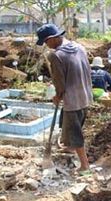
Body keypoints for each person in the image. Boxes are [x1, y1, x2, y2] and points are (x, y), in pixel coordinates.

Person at [36, 24, 92, 176]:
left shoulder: (56, 56)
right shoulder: (79, 47)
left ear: (53, 39)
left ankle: (85, 166)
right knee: (69, 122)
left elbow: (59, 83)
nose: (47, 46)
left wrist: (57, 96)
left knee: (75, 131)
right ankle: (70, 147)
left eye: (46, 42)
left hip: (72, 98)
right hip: (85, 94)